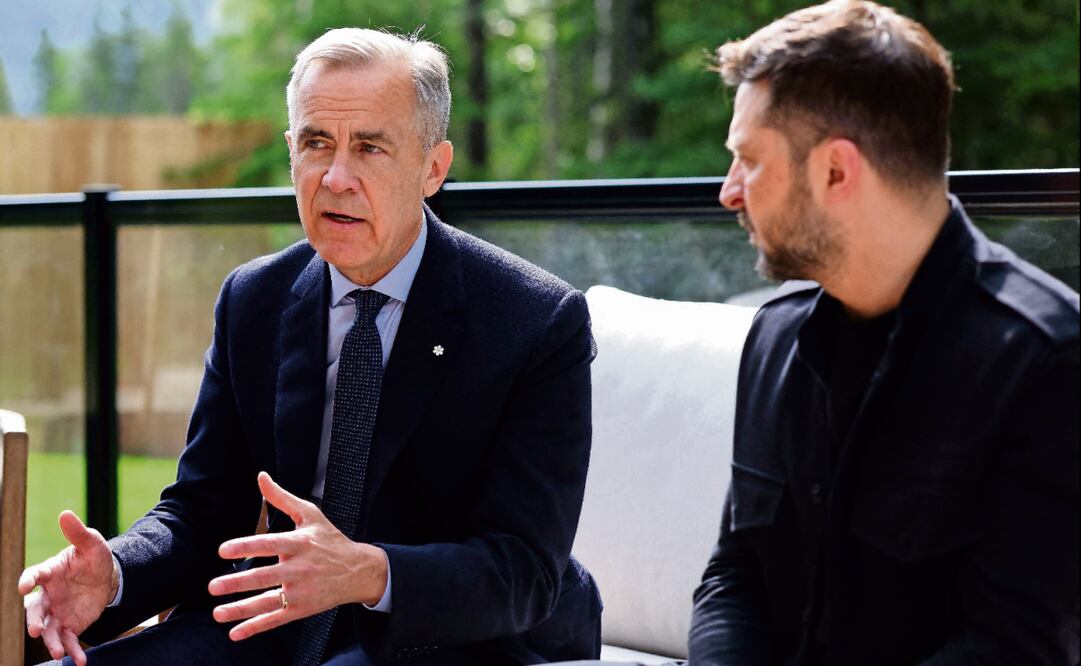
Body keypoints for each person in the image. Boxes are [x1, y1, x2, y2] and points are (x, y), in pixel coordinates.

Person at [20, 28, 601, 665]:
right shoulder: (255, 297)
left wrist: (365, 572)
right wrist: (117, 575)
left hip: (462, 632)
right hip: (280, 618)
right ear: (292, 152)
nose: (337, 177)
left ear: (433, 167)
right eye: (317, 143)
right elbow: (203, 508)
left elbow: (524, 571)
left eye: (371, 148)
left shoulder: (537, 319)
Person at [688, 1, 1079, 664]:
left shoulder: (1045, 362)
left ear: (835, 171)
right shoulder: (776, 338)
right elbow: (734, 578)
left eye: (748, 160)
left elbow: (1010, 648)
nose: (729, 191)